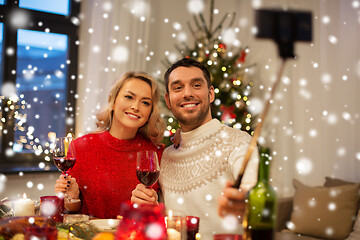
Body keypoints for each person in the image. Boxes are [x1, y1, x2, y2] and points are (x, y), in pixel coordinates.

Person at [131, 58, 258, 238]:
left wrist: (246, 199)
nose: (187, 93)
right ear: (168, 100)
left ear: (211, 94)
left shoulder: (239, 142)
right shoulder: (166, 155)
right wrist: (150, 207)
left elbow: (254, 193)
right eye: (178, 87)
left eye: (196, 85)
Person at [54, 71, 165, 219]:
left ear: (150, 111)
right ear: (113, 101)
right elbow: (70, 212)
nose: (135, 107)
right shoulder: (81, 147)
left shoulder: (156, 153)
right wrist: (72, 199)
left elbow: (165, 216)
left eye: (145, 102)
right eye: (129, 97)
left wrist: (153, 208)